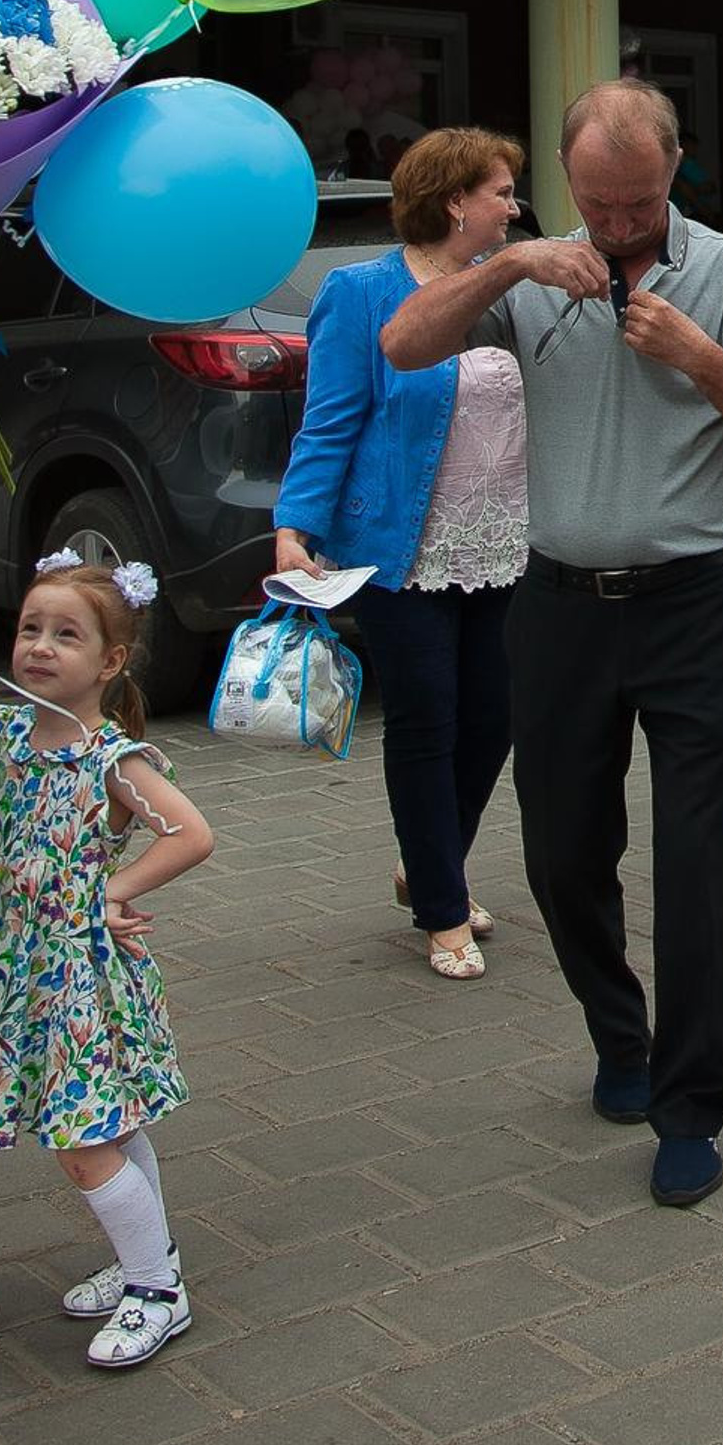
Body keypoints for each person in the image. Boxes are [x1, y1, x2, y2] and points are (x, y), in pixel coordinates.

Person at [381, 81, 723, 1211]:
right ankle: (618, 1037)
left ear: (676, 167)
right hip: (560, 606)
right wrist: (512, 266)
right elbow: (402, 341)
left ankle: (690, 1107)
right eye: (596, 202)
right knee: (561, 857)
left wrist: (700, 356)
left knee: (695, 865)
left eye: (636, 201)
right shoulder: (541, 270)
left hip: (697, 605)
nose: (618, 224)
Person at [0, 555, 212, 1370]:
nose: (39, 645)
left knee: (83, 1138)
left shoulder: (111, 761)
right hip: (20, 970)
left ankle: (156, 1293)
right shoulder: (2, 734)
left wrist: (113, 887)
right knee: (111, 1123)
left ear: (109, 662)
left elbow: (189, 834)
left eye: (65, 634)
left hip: (79, 976)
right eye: (30, 628)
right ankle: (151, 1262)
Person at [274, 129, 526, 980]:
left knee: (495, 718)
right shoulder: (360, 291)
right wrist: (294, 524)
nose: (512, 206)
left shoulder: (512, 285)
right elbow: (331, 418)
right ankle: (442, 909)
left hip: (504, 541)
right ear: (456, 201)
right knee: (428, 718)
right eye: (499, 191)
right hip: (400, 546)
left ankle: (429, 862)